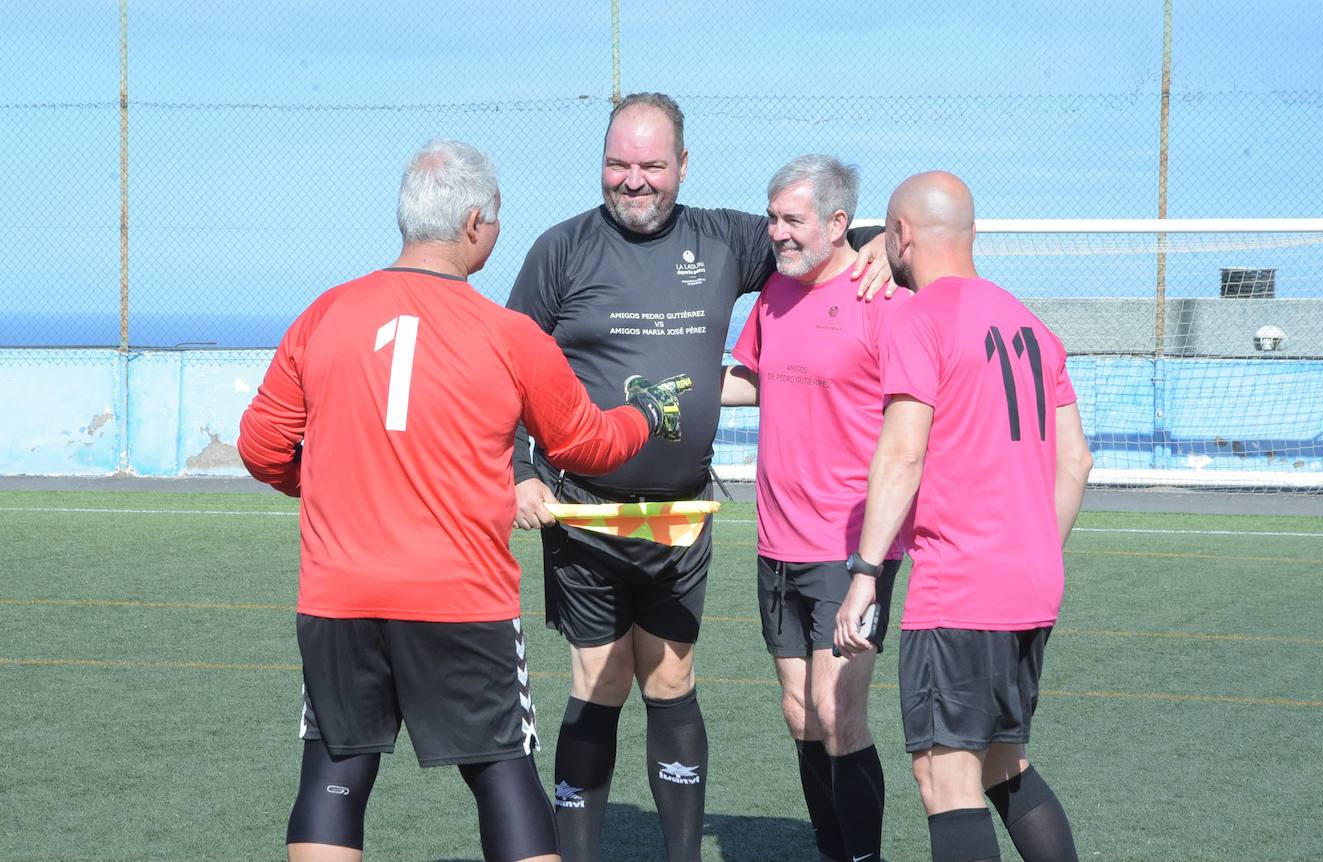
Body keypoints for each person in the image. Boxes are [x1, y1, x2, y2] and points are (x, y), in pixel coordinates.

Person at [237, 138, 692, 862]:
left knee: (334, 772)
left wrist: (331, 487)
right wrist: (648, 411)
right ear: (475, 221)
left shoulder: (324, 313)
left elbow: (262, 446)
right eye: (498, 217)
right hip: (459, 596)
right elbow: (586, 446)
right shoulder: (506, 334)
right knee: (502, 774)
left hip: (339, 594)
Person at [505, 92, 894, 862]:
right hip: (584, 511)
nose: (635, 180)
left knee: (673, 682)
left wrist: (886, 243)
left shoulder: (724, 237)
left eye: (652, 164)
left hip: (681, 516)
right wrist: (518, 469)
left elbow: (817, 233)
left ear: (683, 165)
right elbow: (507, 367)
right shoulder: (561, 249)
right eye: (619, 163)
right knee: (600, 683)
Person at [835, 171, 1094, 862]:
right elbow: (1075, 464)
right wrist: (1034, 545)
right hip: (1032, 581)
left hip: (960, 590)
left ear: (901, 237)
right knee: (1003, 763)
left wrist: (863, 573)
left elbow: (901, 453)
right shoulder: (1032, 326)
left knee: (943, 776)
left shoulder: (919, 318)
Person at [721, 154, 911, 862]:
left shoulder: (883, 298)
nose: (776, 233)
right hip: (776, 542)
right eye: (772, 218)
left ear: (839, 223)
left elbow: (917, 416)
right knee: (800, 713)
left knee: (840, 714)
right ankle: (834, 851)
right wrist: (663, 389)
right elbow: (751, 380)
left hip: (850, 546)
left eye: (791, 219)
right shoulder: (772, 294)